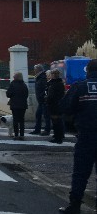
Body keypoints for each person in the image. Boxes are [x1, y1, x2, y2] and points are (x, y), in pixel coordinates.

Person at [58, 59, 97, 213]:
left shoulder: (80, 87)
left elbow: (65, 107)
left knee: (81, 172)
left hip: (86, 135)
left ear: (87, 71)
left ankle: (74, 206)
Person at [6, 72, 28, 140]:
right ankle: (22, 135)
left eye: (14, 76)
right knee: (21, 120)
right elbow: (26, 94)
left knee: (15, 120)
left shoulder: (13, 84)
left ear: (16, 77)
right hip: (23, 105)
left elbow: (8, 94)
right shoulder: (24, 85)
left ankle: (16, 135)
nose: (13, 77)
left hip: (15, 105)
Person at [30, 64, 51, 136]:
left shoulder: (42, 77)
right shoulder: (39, 77)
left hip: (43, 100)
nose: (34, 71)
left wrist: (43, 96)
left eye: (35, 69)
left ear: (38, 70)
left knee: (46, 115)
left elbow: (45, 88)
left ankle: (46, 130)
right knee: (38, 115)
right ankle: (38, 129)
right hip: (41, 100)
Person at [47, 69, 66, 144]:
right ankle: (59, 136)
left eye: (52, 74)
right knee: (58, 122)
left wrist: (47, 99)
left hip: (54, 105)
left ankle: (58, 138)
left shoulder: (54, 84)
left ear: (53, 75)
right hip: (59, 104)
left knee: (56, 122)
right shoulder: (60, 83)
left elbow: (51, 96)